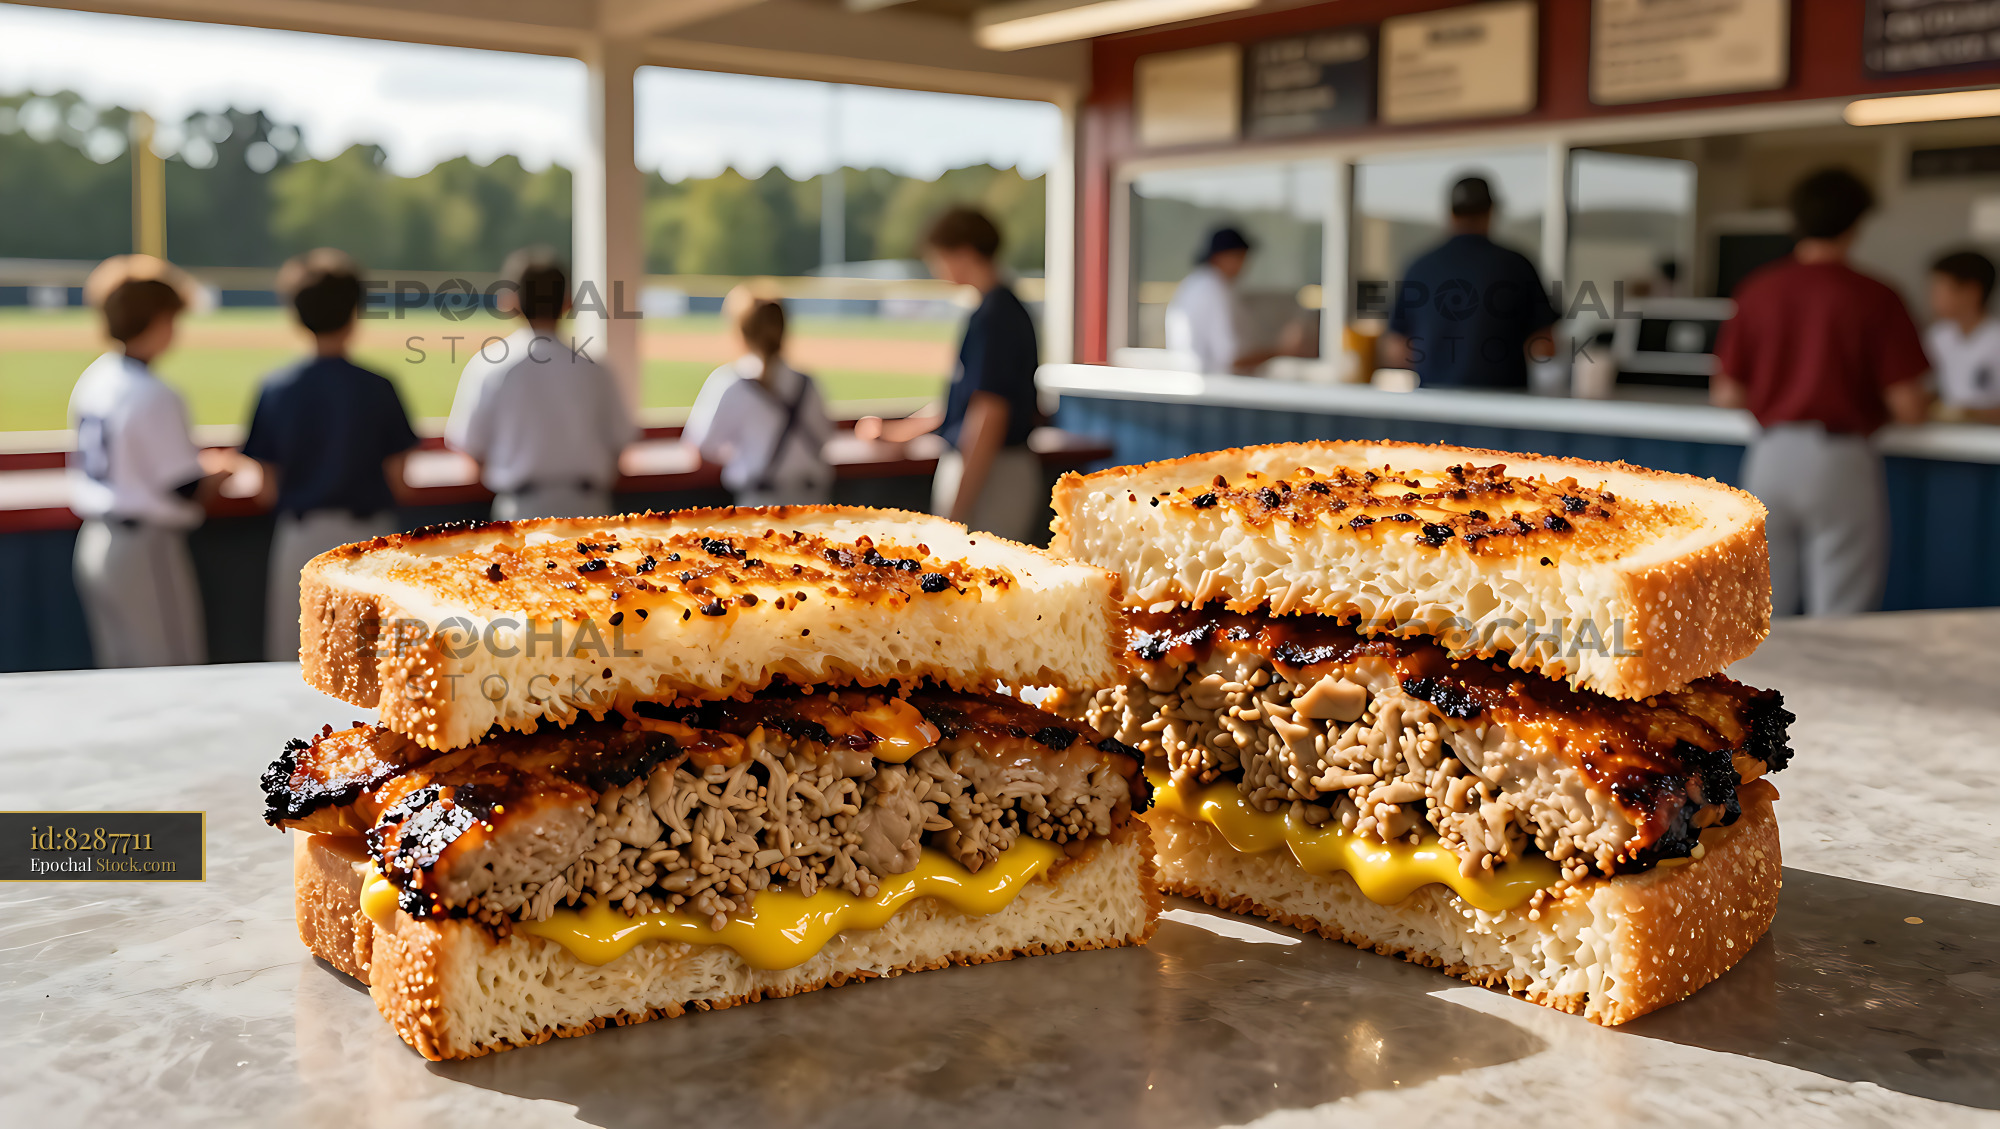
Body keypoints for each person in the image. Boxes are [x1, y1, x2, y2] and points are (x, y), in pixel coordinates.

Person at [1712, 167, 1932, 617]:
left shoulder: (1758, 290)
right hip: (1839, 459)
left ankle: (1770, 692)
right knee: (1841, 613)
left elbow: (1727, 394)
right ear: (1856, 224)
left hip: (1769, 456)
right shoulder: (1875, 295)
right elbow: (1908, 406)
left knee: (1767, 611)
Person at [241, 249, 420, 662]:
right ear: (355, 312)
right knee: (371, 668)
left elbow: (266, 489)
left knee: (295, 663)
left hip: (301, 537)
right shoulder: (378, 387)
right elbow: (399, 482)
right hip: (368, 541)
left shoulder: (276, 388)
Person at [67, 255, 227, 667]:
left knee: (122, 675)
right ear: (156, 320)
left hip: (97, 541)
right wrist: (220, 471)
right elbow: (184, 487)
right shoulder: (153, 392)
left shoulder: (96, 376)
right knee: (170, 673)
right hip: (144, 548)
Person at [859, 208, 1046, 544]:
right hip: (985, 467)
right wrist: (900, 432)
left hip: (993, 473)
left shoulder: (997, 315)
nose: (936, 266)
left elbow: (989, 414)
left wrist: (959, 505)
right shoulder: (989, 309)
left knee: (987, 584)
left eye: (939, 255)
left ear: (963, 252)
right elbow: (964, 405)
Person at [445, 247, 636, 520]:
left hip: (520, 509)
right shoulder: (595, 366)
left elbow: (470, 448)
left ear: (509, 301)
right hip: (589, 507)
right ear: (568, 302)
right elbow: (621, 441)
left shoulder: (489, 365)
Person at [1382, 176, 1558, 388]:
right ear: (1491, 211)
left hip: (1433, 406)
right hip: (1502, 406)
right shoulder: (1516, 265)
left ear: (1450, 214)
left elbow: (1396, 350)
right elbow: (1545, 347)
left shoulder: (1419, 267)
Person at [683, 286, 834, 507]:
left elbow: (700, 449)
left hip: (760, 506)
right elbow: (825, 437)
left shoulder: (730, 382)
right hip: (813, 503)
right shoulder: (807, 383)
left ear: (740, 330)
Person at [1166, 227, 1257, 374]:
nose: (1244, 265)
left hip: (1185, 380)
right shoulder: (1215, 288)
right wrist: (1282, 352)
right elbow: (1230, 358)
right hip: (1208, 387)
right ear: (1220, 256)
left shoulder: (1193, 283)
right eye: (1239, 257)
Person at [1924, 249, 2000, 423]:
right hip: (1948, 438)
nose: (1933, 297)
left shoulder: (1996, 338)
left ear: (1971, 291)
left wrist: (1971, 414)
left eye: (1941, 288)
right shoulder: (1938, 336)